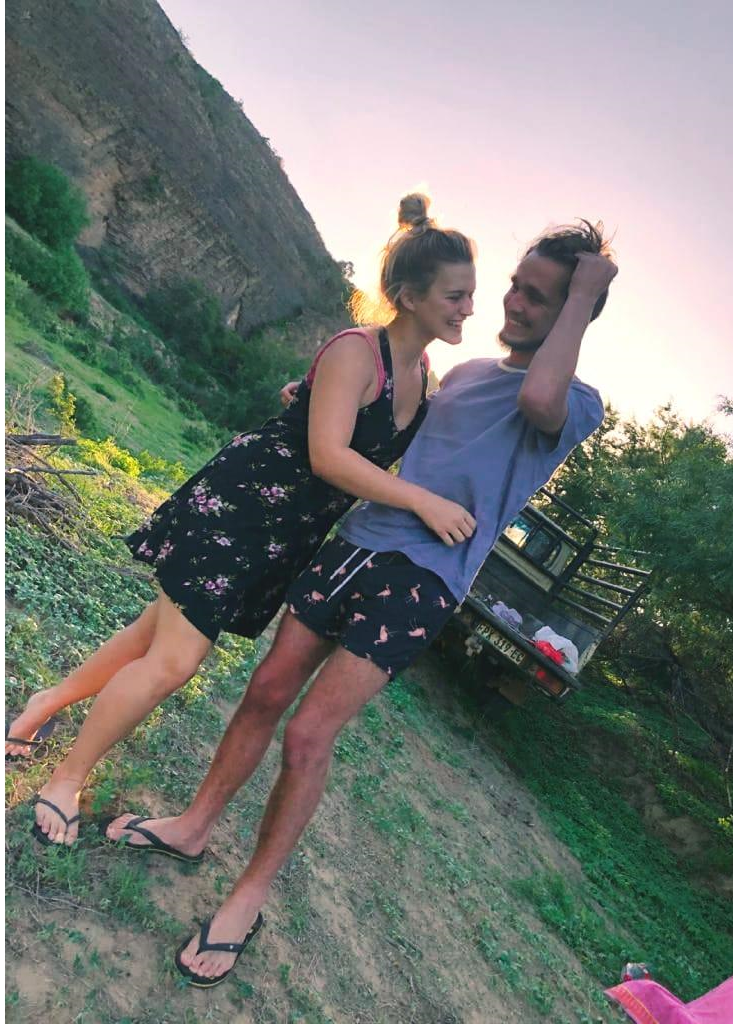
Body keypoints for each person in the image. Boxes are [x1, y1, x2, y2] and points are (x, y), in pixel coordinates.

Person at [103, 220, 618, 989]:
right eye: (516, 284)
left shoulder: (573, 401)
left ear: (574, 311)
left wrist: (584, 290)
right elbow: (390, 430)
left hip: (423, 581)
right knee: (265, 694)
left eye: (539, 297)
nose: (514, 302)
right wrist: (317, 400)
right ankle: (192, 826)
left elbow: (539, 393)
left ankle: (250, 895)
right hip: (355, 542)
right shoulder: (463, 374)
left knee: (309, 733)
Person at [11, 193, 479, 847]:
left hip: (285, 537)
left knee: (152, 634)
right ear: (409, 295)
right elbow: (329, 456)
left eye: (469, 294)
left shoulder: (421, 372)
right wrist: (421, 501)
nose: (468, 308)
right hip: (242, 508)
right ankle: (66, 780)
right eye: (456, 295)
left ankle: (44, 705)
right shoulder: (357, 351)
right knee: (175, 659)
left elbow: (345, 427)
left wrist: (309, 398)